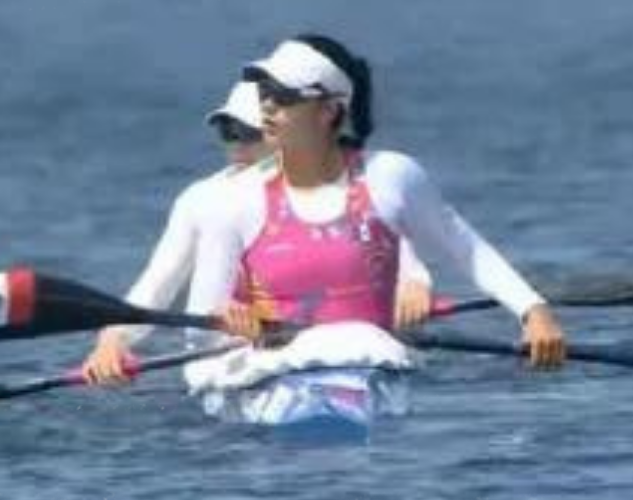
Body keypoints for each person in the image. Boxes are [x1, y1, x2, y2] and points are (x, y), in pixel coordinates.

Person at [197, 34, 567, 368]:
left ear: (329, 111)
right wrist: (226, 320)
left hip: (374, 361)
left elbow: (467, 250)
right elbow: (198, 331)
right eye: (264, 94)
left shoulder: (390, 176)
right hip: (273, 370)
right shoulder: (234, 199)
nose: (268, 107)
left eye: (285, 96)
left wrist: (533, 311)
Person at [82, 80, 436, 385]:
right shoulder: (202, 199)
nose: (236, 146)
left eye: (247, 134)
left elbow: (397, 252)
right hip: (234, 358)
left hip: (346, 344)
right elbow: (156, 284)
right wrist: (113, 342)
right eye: (227, 132)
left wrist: (415, 283)